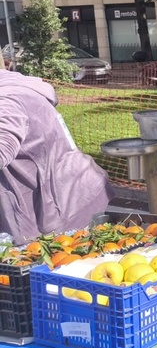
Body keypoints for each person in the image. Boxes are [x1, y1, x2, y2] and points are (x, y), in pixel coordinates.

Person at [0, 69, 114, 243]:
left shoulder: (6, 101)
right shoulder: (11, 85)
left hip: (67, 208)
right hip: (62, 196)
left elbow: (3, 147)